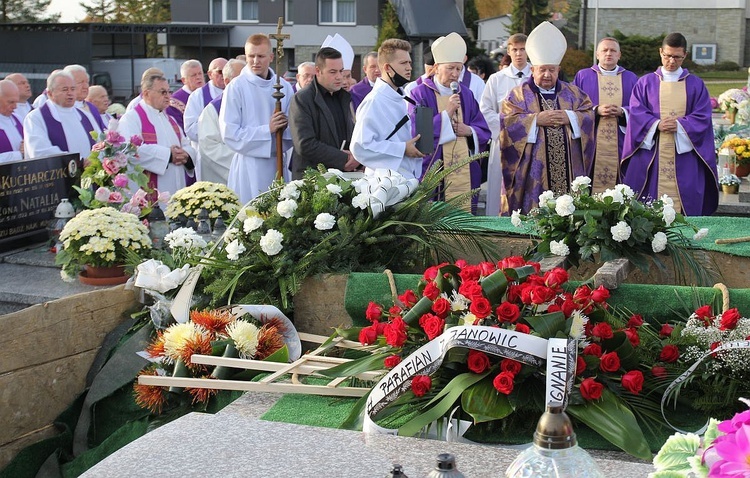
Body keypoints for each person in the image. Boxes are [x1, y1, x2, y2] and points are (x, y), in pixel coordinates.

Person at [499, 22, 595, 214]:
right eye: (542, 69)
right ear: (532, 70)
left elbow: (589, 114)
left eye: (552, 70)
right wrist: (535, 120)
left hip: (570, 171)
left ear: (558, 70)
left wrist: (570, 117)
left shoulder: (575, 94)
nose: (547, 74)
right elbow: (507, 122)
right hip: (533, 175)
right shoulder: (517, 96)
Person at [621, 32, 718, 216]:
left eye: (677, 57)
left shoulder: (695, 85)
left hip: (684, 154)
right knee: (647, 203)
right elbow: (636, 113)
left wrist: (681, 126)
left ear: (685, 56)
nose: (671, 61)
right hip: (653, 153)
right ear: (660, 52)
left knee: (687, 198)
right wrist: (656, 124)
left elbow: (703, 116)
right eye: (667, 56)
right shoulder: (645, 83)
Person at [409, 32, 491, 214]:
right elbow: (418, 133)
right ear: (437, 67)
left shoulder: (467, 94)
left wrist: (468, 130)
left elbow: (484, 130)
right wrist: (446, 114)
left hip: (463, 169)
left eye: (459, 69)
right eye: (450, 68)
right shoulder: (420, 93)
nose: (455, 74)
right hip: (434, 168)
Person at [219, 33, 294, 203]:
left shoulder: (284, 87)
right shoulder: (236, 87)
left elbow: (291, 131)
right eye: (251, 56)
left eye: (260, 56)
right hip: (248, 166)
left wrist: (286, 129)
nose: (255, 61)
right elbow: (229, 133)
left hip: (277, 162)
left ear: (271, 57)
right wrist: (267, 129)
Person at [350, 38, 423, 179]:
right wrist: (402, 149)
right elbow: (360, 147)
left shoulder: (401, 98)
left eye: (409, 62)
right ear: (387, 68)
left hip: (405, 178)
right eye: (403, 63)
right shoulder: (374, 101)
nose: (409, 68)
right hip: (384, 183)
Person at [573, 37, 638, 192]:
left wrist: (623, 112)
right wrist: (596, 111)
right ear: (597, 54)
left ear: (619, 55)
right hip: (591, 141)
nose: (608, 53)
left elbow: (640, 108)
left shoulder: (631, 78)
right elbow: (573, 107)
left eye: (613, 50)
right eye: (604, 50)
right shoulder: (583, 76)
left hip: (621, 141)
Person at [118, 73, 196, 196]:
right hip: (148, 193)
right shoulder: (131, 118)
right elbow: (129, 151)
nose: (168, 97)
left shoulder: (170, 119)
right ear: (147, 94)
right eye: (163, 92)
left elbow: (186, 143)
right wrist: (169, 155)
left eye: (169, 92)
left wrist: (186, 155)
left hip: (175, 189)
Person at [480, 33, 532, 216]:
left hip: (531, 141)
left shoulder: (536, 76)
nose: (518, 54)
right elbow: (485, 110)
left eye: (523, 49)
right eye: (514, 49)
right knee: (498, 187)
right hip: (503, 141)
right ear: (508, 51)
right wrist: (507, 128)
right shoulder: (496, 79)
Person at [289, 47, 357, 180]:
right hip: (312, 177)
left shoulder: (343, 97)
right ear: (318, 71)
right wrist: (344, 158)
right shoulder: (302, 99)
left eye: (341, 71)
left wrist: (357, 157)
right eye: (333, 72)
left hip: (343, 176)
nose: (339, 76)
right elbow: (305, 144)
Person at [24, 71, 97, 160]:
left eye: (73, 89)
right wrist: (78, 161)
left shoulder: (85, 116)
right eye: (65, 89)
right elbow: (39, 151)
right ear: (50, 93)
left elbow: (99, 143)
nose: (70, 93)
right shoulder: (36, 117)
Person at [198, 59, 245, 185]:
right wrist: (244, 159)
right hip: (223, 179)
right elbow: (209, 146)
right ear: (227, 81)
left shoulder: (251, 105)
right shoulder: (213, 110)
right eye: (241, 80)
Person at [183, 57, 227, 181]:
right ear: (210, 74)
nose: (224, 75)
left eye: (226, 71)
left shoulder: (235, 93)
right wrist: (215, 130)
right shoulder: (197, 96)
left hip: (229, 155)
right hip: (207, 157)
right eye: (219, 72)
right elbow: (190, 128)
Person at [64, 64, 106, 133]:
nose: (85, 86)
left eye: (87, 82)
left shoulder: (92, 108)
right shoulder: (64, 109)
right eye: (80, 82)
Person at [167, 59, 204, 131]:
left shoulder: (208, 94)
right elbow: (178, 130)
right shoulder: (174, 103)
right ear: (184, 80)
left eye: (200, 73)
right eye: (193, 75)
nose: (198, 77)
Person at [0, 80, 24, 163]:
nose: (15, 107)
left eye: (16, 102)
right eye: (11, 102)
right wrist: (19, 155)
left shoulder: (18, 119)